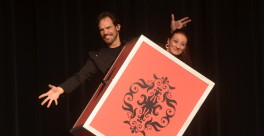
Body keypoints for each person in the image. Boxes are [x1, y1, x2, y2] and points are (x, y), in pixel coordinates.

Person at [39, 12, 191, 108]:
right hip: (122, 107)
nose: (106, 32)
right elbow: (80, 76)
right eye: (102, 30)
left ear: (117, 27)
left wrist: (173, 31)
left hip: (146, 102)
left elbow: (159, 49)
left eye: (109, 28)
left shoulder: (135, 44)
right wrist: (60, 89)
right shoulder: (98, 57)